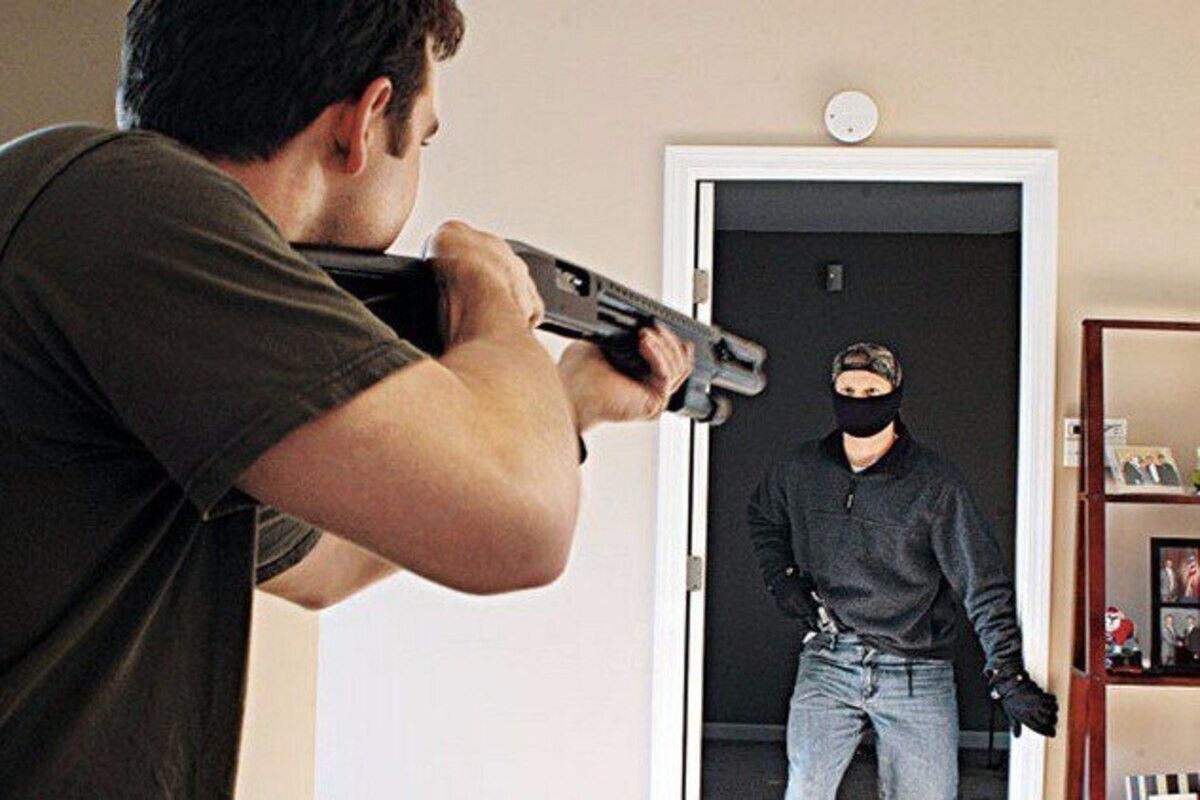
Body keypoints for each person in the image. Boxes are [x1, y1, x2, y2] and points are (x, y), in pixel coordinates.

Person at [0, 3, 693, 798]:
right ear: (363, 122)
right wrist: (491, 300)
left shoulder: (108, 235)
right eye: (424, 138)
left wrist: (564, 405)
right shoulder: (128, 207)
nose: (421, 165)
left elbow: (322, 566)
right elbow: (522, 530)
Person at [747, 342, 1057, 800]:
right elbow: (764, 516)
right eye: (848, 390)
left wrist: (1006, 674)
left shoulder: (935, 483)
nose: (858, 400)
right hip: (829, 658)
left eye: (871, 391)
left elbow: (982, 583)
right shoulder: (800, 469)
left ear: (894, 395)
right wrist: (782, 578)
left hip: (917, 668)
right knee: (806, 789)